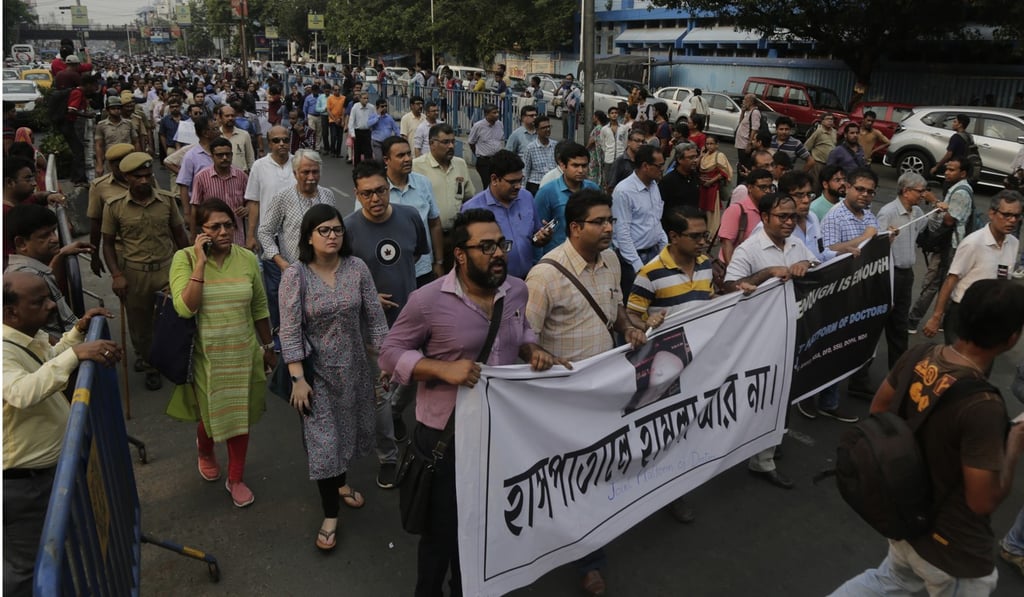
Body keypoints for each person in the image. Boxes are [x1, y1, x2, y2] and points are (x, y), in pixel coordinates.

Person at [380, 208, 565, 596]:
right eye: (486, 246)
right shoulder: (427, 300)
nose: (498, 253)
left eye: (501, 244)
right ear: (460, 254)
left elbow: (521, 329)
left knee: (486, 531)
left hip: (500, 435)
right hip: (445, 440)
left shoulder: (516, 289)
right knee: (441, 538)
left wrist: (532, 349)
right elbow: (390, 352)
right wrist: (439, 369)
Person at [829, 279, 1024, 597]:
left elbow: (879, 411)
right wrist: (1014, 442)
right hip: (951, 550)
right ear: (1012, 337)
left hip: (906, 518)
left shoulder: (920, 353)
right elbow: (982, 500)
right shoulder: (983, 406)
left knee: (886, 580)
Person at [525, 189, 650, 595]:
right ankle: (574, 555)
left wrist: (628, 326)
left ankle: (588, 551)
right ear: (575, 227)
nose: (609, 228)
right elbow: (524, 338)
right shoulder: (545, 275)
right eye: (600, 222)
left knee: (594, 473)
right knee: (569, 478)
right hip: (562, 399)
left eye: (610, 220)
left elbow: (614, 309)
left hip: (604, 392)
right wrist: (537, 353)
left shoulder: (612, 260)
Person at [3, 271, 120, 597]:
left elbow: (47, 363)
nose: (52, 305)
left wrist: (77, 333)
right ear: (11, 312)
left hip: (44, 475)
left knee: (51, 554)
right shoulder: (2, 350)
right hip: (22, 484)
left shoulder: (25, 336)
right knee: (26, 571)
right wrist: (75, 355)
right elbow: (21, 392)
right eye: (39, 301)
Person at [279, 204, 388, 551]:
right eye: (323, 230)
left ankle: (341, 483)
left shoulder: (356, 268)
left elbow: (374, 315)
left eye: (337, 230)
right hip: (316, 376)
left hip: (355, 369)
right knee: (325, 444)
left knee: (349, 433)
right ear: (309, 236)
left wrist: (385, 358)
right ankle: (330, 515)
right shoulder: (295, 275)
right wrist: (297, 377)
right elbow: (290, 331)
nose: (332, 236)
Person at [165, 199, 275, 508]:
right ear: (200, 231)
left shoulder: (247, 259)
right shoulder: (183, 259)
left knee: (240, 419)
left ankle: (236, 477)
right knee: (210, 417)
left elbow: (259, 307)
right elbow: (185, 308)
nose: (224, 231)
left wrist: (267, 347)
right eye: (215, 227)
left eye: (229, 225)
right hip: (205, 357)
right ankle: (204, 448)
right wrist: (200, 262)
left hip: (243, 354)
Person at [345, 160, 429, 488]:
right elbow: (338, 275)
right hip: (372, 329)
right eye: (367, 194)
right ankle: (388, 456)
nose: (375, 199)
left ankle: (397, 412)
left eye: (380, 191)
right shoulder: (348, 228)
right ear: (357, 195)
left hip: (413, 321)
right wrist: (366, 294)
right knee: (378, 396)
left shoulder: (409, 216)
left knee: (412, 378)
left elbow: (417, 255)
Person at [723, 192, 815, 488]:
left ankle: (770, 442)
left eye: (793, 217)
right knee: (762, 395)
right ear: (764, 218)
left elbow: (815, 268)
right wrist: (768, 273)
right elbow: (729, 288)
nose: (790, 222)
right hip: (759, 338)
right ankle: (760, 460)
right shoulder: (749, 250)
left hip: (791, 332)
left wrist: (806, 267)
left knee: (782, 392)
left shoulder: (797, 244)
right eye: (782, 217)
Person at [102, 152, 189, 391]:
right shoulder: (115, 206)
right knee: (140, 325)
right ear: (126, 177)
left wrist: (194, 262)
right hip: (135, 274)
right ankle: (150, 364)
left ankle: (169, 359)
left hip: (167, 269)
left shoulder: (167, 200)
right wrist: (117, 275)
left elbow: (180, 234)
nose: (144, 181)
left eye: (147, 175)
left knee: (171, 319)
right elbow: (107, 244)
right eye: (137, 176)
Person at [922, 191, 1022, 342]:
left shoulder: (1013, 243)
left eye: (1017, 216)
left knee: (984, 363)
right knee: (960, 363)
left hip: (992, 316)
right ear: (992, 213)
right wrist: (936, 317)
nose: (1012, 220)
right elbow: (950, 281)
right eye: (1006, 215)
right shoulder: (973, 243)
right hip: (964, 314)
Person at [876, 173, 940, 368]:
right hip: (888, 274)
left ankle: (898, 371)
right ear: (906, 191)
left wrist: (937, 209)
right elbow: (876, 246)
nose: (923, 195)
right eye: (920, 191)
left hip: (906, 275)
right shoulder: (887, 213)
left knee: (900, 325)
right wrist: (887, 238)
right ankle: (859, 379)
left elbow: (929, 227)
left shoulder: (917, 212)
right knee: (877, 323)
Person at [4, 204, 93, 340]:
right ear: (21, 243)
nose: (55, 239)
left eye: (54, 231)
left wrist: (60, 254)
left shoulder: (32, 270)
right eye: (45, 235)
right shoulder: (25, 279)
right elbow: (37, 335)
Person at [908, 158, 976, 333]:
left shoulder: (961, 192)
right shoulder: (957, 188)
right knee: (943, 282)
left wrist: (934, 201)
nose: (947, 172)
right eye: (946, 169)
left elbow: (949, 219)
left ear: (963, 174)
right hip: (951, 244)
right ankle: (943, 322)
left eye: (952, 170)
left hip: (949, 245)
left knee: (932, 283)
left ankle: (913, 321)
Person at [462, 150, 552, 279]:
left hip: (527, 279)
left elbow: (533, 238)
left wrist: (542, 238)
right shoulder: (472, 209)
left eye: (520, 181)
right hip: (492, 284)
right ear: (494, 179)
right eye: (512, 182)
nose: (518, 186)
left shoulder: (526, 198)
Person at [257, 149, 337, 282]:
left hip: (326, 271)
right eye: (305, 172)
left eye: (315, 172)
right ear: (295, 173)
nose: (311, 177)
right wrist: (280, 261)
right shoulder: (283, 198)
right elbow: (265, 231)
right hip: (295, 274)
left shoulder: (328, 195)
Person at [412, 123, 476, 273]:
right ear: (432, 144)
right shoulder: (417, 167)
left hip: (455, 235)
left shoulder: (460, 165)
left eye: (453, 141)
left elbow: (469, 197)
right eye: (445, 142)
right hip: (429, 237)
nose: (451, 146)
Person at [533, 142, 601, 257]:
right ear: (562, 166)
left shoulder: (593, 189)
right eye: (575, 165)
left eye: (584, 166)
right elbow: (537, 232)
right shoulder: (547, 192)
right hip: (557, 258)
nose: (581, 170)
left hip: (587, 255)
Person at [189, 137, 253, 247]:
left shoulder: (241, 176)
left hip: (237, 236)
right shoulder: (201, 178)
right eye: (220, 155)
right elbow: (195, 207)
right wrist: (193, 235)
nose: (224, 158)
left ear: (232, 155)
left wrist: (246, 209)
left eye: (228, 154)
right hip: (212, 237)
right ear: (212, 156)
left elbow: (250, 202)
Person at [697, 135, 733, 235]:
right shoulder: (704, 155)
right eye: (707, 144)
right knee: (702, 210)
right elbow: (697, 167)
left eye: (711, 144)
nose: (709, 146)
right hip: (703, 187)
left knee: (712, 212)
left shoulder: (719, 156)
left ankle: (712, 235)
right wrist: (701, 154)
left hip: (713, 188)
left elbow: (723, 173)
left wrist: (711, 181)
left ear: (717, 145)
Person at [468, 104, 505, 187]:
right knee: (488, 185)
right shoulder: (478, 126)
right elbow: (471, 142)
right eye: (494, 113)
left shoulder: (499, 124)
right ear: (486, 114)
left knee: (498, 184)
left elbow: (500, 140)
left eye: (497, 112)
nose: (497, 115)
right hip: (484, 161)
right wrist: (477, 154)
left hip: (497, 160)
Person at [659, 142, 700, 211]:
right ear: (679, 159)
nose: (695, 160)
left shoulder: (695, 176)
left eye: (696, 157)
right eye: (691, 157)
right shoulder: (668, 181)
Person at [804, 113, 838, 185]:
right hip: (818, 163)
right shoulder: (818, 132)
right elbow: (807, 146)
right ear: (822, 121)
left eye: (831, 119)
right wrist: (810, 159)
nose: (830, 121)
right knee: (816, 184)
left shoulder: (834, 132)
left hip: (829, 164)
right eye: (827, 119)